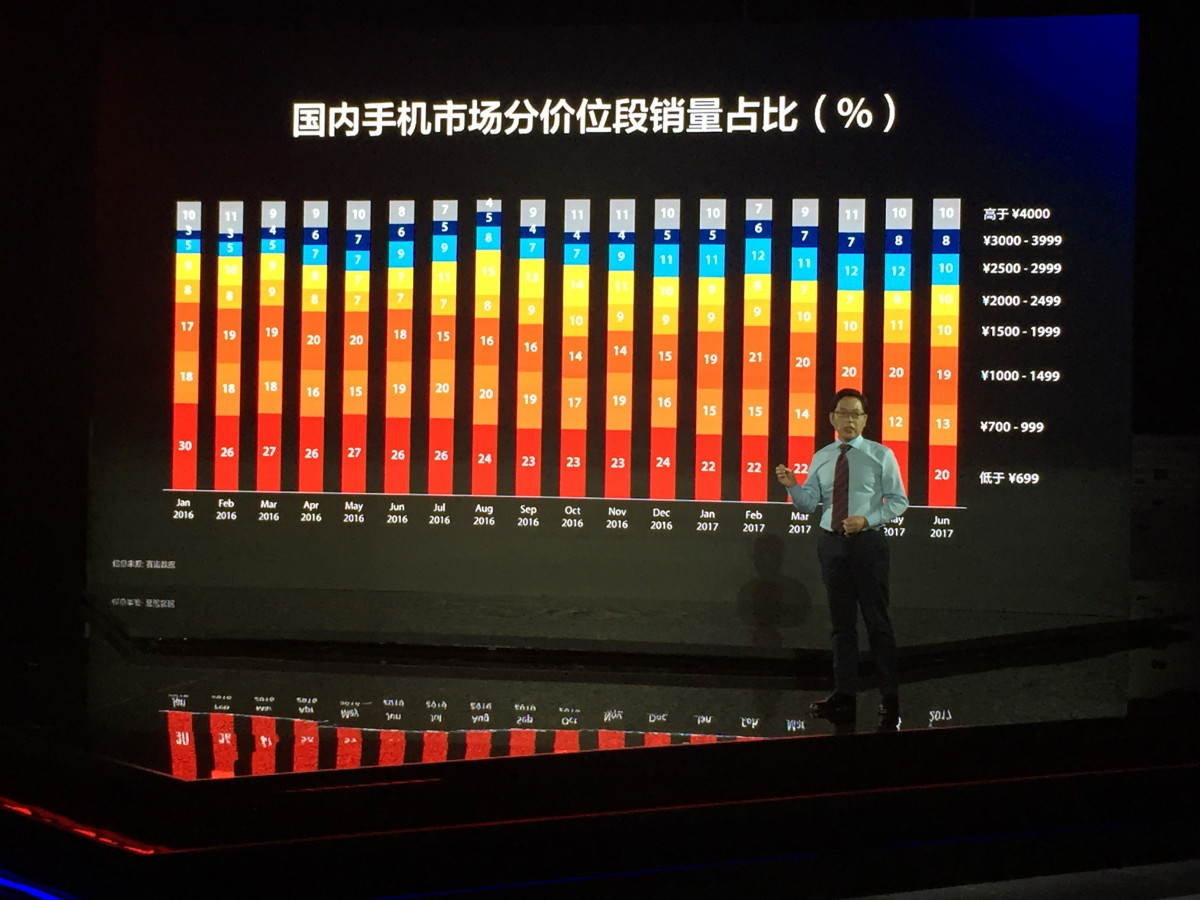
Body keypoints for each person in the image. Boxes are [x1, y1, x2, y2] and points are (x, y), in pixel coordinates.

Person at [774, 388, 908, 728]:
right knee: (841, 625)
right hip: (832, 546)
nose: (850, 419)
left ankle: (889, 696)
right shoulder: (822, 456)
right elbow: (808, 504)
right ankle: (844, 694)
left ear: (865, 419)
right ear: (832, 418)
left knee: (877, 622)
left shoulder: (881, 455)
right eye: (844, 413)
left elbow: (899, 501)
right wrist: (792, 486)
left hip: (868, 545)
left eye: (856, 414)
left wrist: (867, 519)